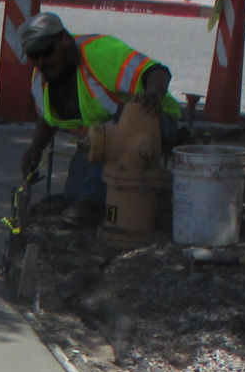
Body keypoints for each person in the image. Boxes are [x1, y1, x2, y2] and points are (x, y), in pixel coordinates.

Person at [15, 12, 185, 227]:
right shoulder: (42, 80)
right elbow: (47, 118)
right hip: (99, 139)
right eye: (34, 55)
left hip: (153, 122)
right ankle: (90, 201)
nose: (41, 61)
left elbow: (156, 71)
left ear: (65, 40)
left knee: (117, 141)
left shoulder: (98, 53)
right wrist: (35, 149)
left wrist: (153, 95)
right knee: (73, 195)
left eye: (47, 51)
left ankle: (92, 205)